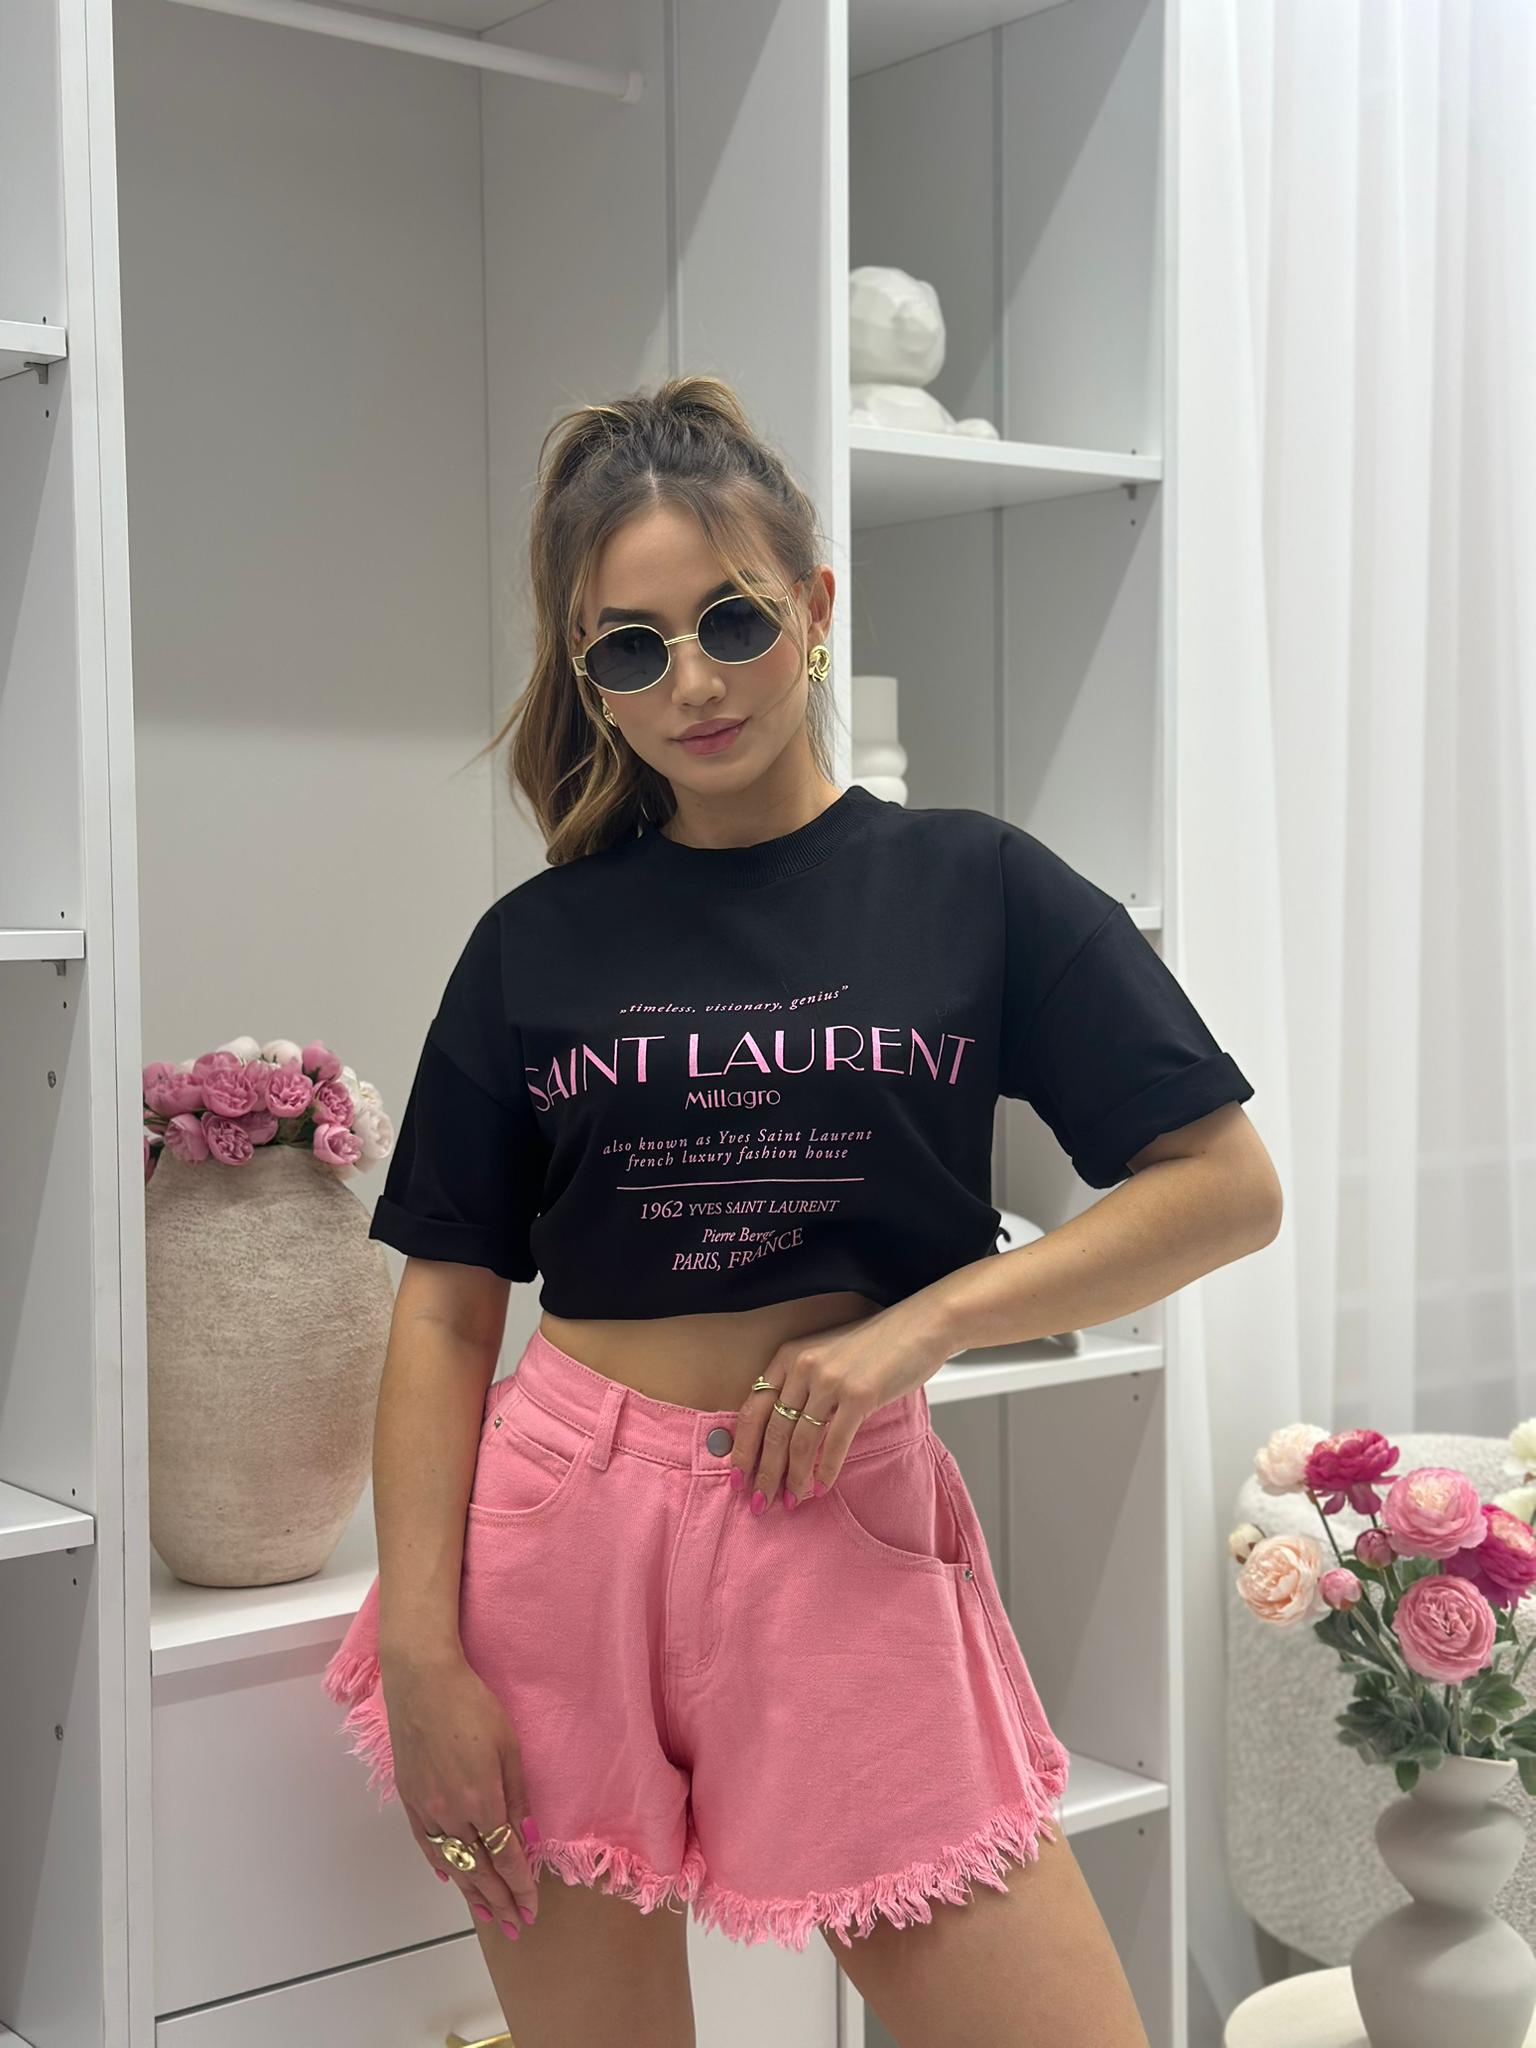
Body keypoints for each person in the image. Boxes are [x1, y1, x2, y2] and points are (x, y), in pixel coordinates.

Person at [322, 374, 1282, 2048]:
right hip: (561, 1534)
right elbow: (448, 1312)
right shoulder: (535, 945)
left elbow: (1224, 1188)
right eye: (631, 649)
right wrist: (422, 1652)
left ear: (816, 609)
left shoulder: (975, 884)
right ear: (589, 676)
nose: (692, 683)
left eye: (733, 622)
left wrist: (923, 1329)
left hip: (838, 1514)